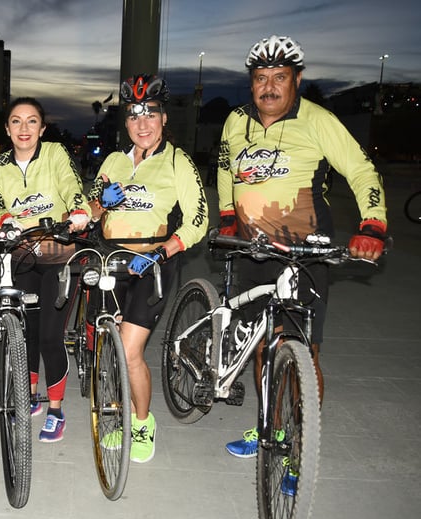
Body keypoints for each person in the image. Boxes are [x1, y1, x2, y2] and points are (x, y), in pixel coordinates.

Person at [216, 36, 388, 459]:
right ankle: (266, 427)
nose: (269, 87)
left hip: (304, 252)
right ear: (251, 83)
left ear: (297, 79)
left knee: (301, 351)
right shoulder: (235, 121)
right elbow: (224, 169)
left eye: (279, 77)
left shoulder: (317, 120)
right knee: (261, 345)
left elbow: (361, 170)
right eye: (260, 78)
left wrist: (373, 224)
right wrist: (226, 216)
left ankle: (299, 441)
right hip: (253, 251)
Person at [88, 75, 208, 463]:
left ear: (163, 118)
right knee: (108, 344)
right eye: (134, 115)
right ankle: (119, 412)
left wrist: (164, 251)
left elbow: (198, 220)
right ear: (125, 122)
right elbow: (91, 209)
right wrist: (100, 203)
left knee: (129, 348)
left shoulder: (178, 161)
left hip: (153, 264)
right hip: (111, 259)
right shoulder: (113, 161)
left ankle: (142, 422)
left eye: (150, 114)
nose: (142, 123)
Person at [0, 97, 91, 443]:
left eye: (32, 122)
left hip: (60, 258)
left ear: (42, 129)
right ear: (7, 128)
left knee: (49, 335)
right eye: (16, 121)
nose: (24, 128)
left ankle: (56, 410)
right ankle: (28, 396)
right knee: (25, 332)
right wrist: (4, 219)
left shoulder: (56, 154)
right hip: (22, 257)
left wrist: (77, 211)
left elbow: (72, 186)